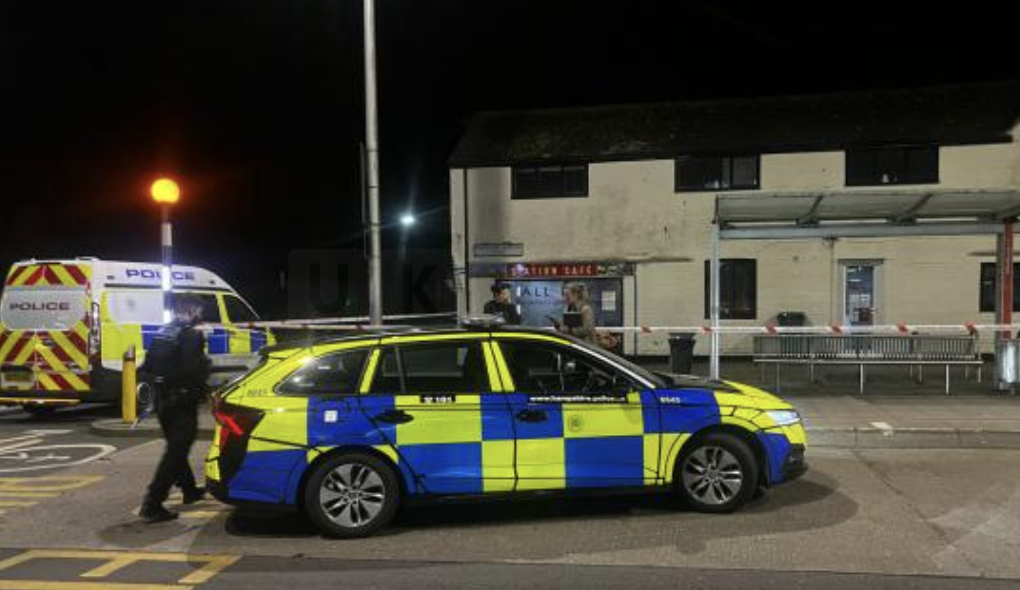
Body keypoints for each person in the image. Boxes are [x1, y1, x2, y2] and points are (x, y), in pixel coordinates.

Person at [139, 294, 211, 523]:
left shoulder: (164, 332)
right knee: (176, 452)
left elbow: (146, 366)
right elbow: (193, 370)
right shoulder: (191, 335)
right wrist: (205, 370)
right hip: (182, 402)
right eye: (198, 310)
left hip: (163, 401)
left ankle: (189, 490)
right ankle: (153, 503)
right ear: (191, 310)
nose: (201, 315)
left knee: (176, 447)